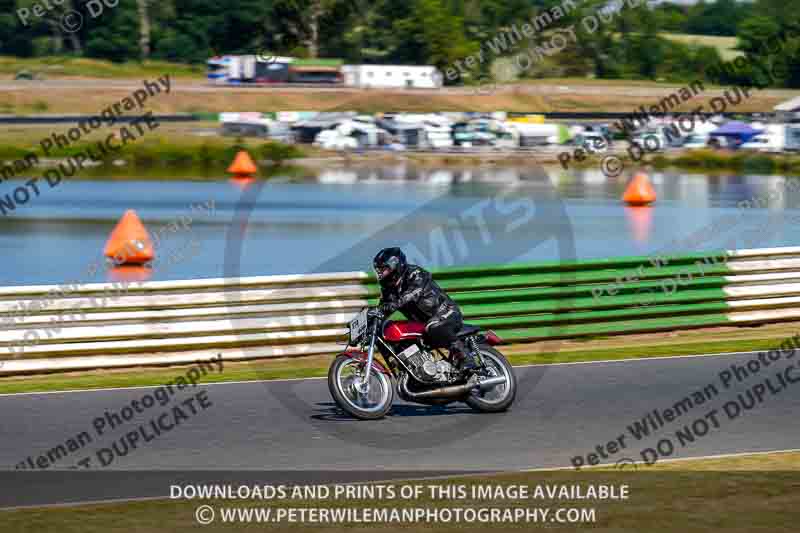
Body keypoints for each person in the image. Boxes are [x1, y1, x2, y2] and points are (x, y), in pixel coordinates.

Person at [372, 247, 478, 373]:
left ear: (395, 265)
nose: (381, 274)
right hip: (422, 324)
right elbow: (383, 308)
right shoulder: (388, 288)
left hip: (446, 312)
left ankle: (467, 360)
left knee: (433, 326)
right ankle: (416, 371)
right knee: (398, 335)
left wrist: (394, 304)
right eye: (379, 270)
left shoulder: (414, 273)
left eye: (384, 269)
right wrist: (371, 318)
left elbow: (413, 293)